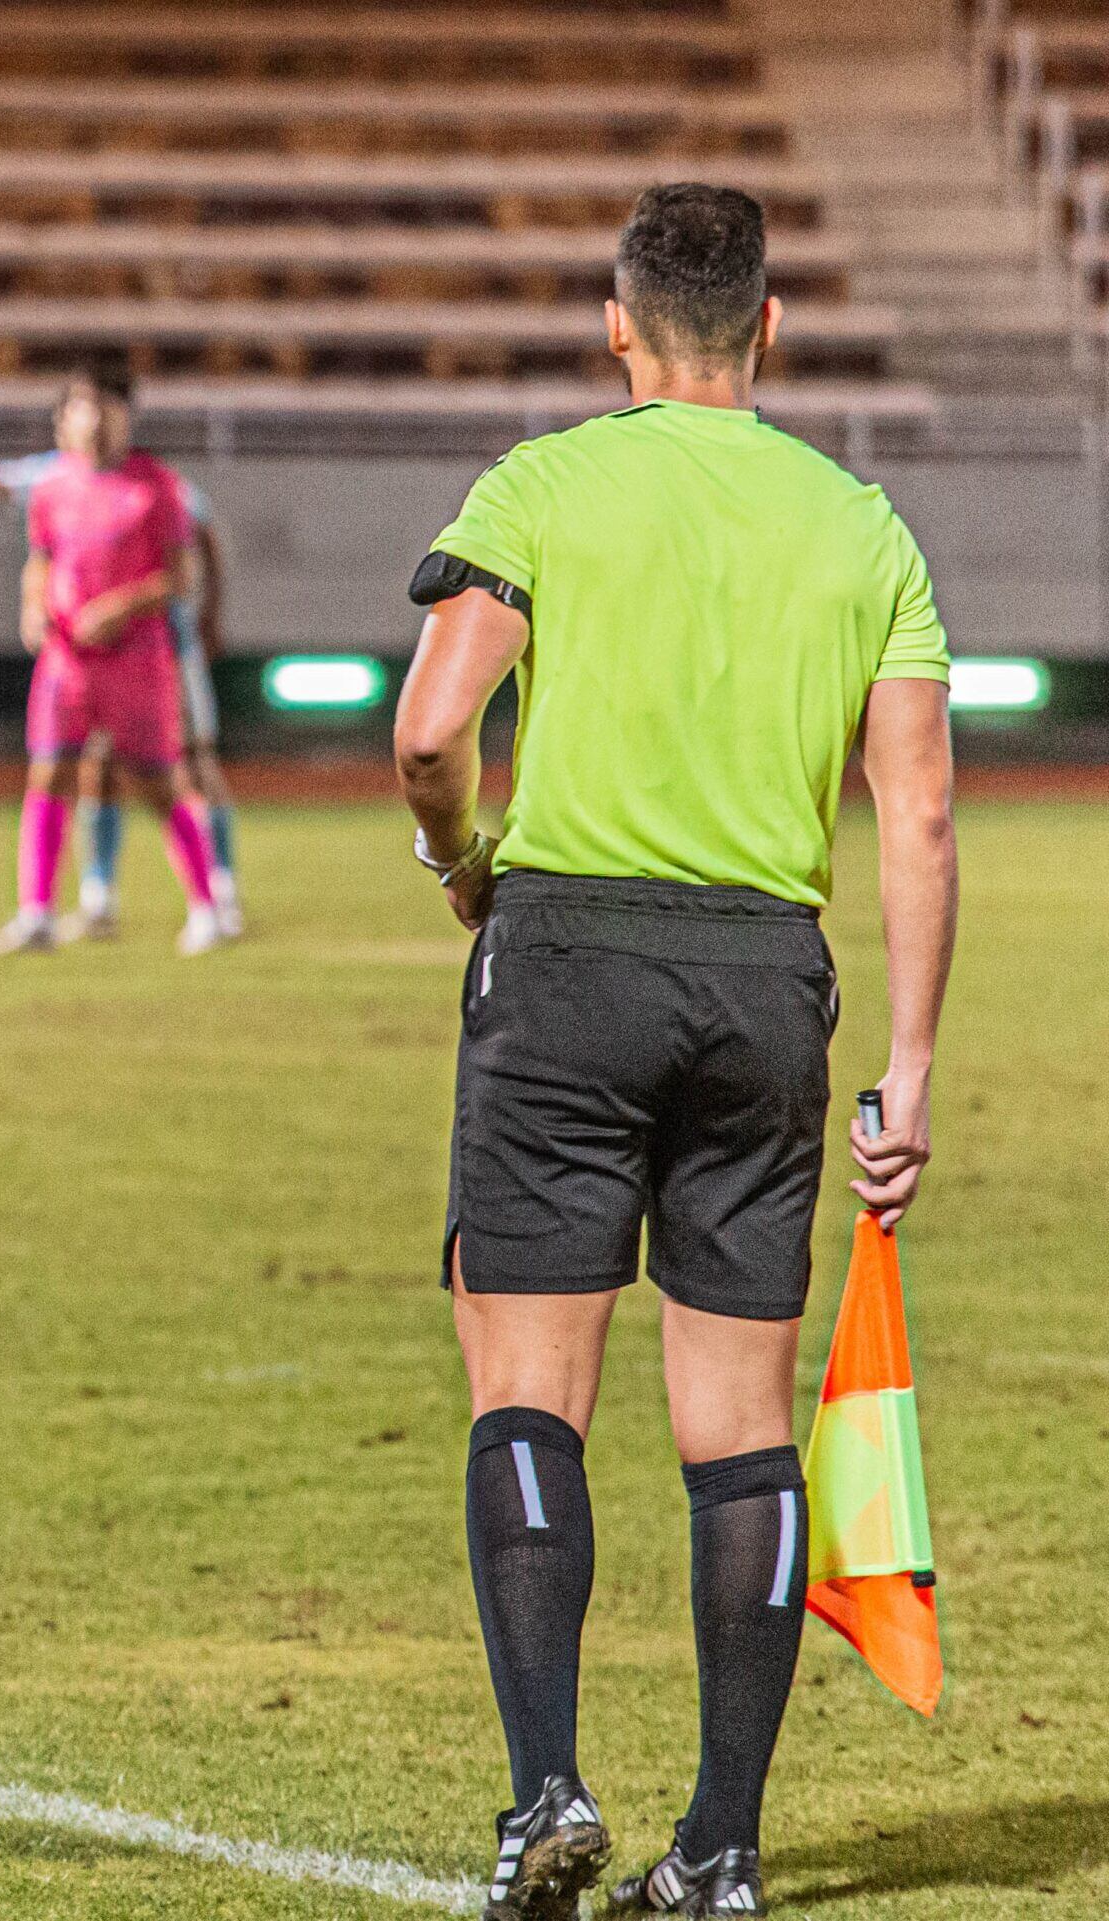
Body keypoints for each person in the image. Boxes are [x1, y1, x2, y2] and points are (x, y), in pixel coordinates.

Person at [393, 184, 956, 1920]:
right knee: (736, 1421)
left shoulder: (545, 485)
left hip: (564, 956)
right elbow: (919, 819)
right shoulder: (862, 525)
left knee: (526, 1388)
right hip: (765, 984)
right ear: (769, 328)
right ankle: (720, 1842)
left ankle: (546, 1790)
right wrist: (914, 1068)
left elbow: (429, 732)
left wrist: (461, 860)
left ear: (618, 329)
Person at [0, 447, 242, 940]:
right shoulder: (57, 474)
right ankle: (98, 896)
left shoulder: (151, 480)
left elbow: (203, 538)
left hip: (162, 644)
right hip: (82, 653)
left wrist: (210, 611)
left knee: (188, 766)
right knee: (94, 768)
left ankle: (220, 893)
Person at [0, 366, 223, 958]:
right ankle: (36, 912)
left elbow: (179, 575)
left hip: (137, 657)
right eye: (85, 406)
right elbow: (40, 559)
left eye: (107, 406)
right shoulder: (52, 487)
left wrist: (120, 606)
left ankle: (207, 907)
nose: (95, 418)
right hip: (67, 659)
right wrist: (32, 605)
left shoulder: (158, 486)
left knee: (161, 783)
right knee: (49, 775)